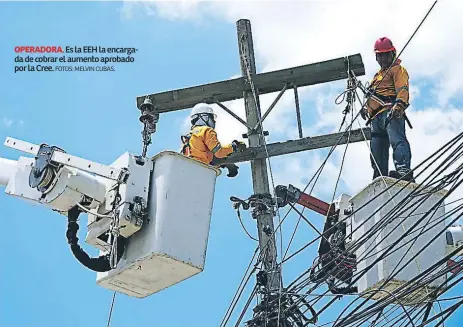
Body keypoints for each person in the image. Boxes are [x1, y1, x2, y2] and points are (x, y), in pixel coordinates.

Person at [364, 37, 414, 182]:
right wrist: (367, 109)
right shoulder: (377, 76)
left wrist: (399, 104)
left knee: (397, 140)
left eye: (385, 54)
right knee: (377, 152)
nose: (382, 58)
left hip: (390, 112)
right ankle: (380, 179)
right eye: (379, 55)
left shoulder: (397, 69)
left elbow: (402, 88)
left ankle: (404, 170)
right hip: (376, 118)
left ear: (392, 53)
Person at [180, 103, 247, 177]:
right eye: (211, 117)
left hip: (189, 172)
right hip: (201, 172)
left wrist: (227, 164)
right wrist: (234, 146)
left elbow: (207, 158)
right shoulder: (206, 131)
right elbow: (219, 152)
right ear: (204, 117)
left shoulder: (189, 137)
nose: (214, 121)